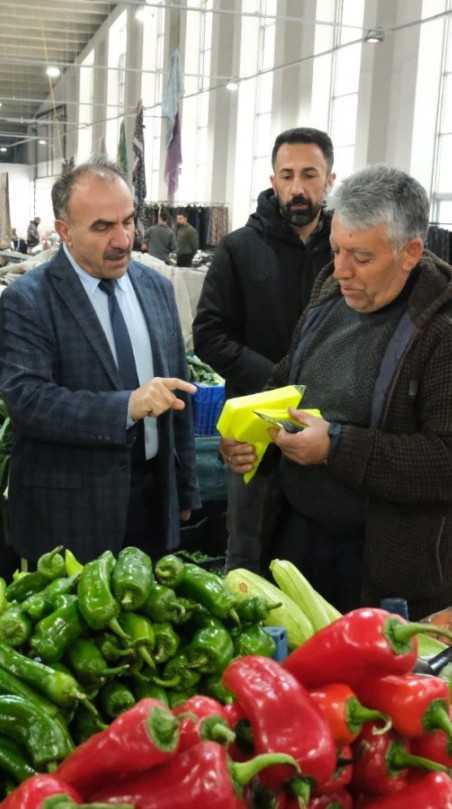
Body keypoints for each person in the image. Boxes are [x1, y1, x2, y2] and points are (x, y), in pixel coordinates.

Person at [219, 166, 452, 617]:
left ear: (409, 253)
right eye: (336, 249)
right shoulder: (333, 292)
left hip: (387, 570)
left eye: (362, 258)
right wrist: (248, 435)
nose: (341, 269)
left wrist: (337, 447)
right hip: (298, 540)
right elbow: (288, 375)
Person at [0, 156, 200, 561]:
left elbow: (179, 394)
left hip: (152, 502)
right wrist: (126, 407)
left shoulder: (157, 289)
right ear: (64, 232)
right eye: (103, 227)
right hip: (70, 512)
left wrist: (186, 488)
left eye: (128, 221)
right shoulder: (28, 300)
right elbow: (28, 400)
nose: (123, 240)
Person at [194, 127, 337, 572]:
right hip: (254, 432)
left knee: (320, 557)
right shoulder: (239, 248)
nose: (298, 188)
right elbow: (209, 334)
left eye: (310, 175)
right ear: (273, 180)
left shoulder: (346, 249)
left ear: (330, 180)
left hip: (331, 427)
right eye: (287, 175)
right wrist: (279, 383)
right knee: (248, 555)